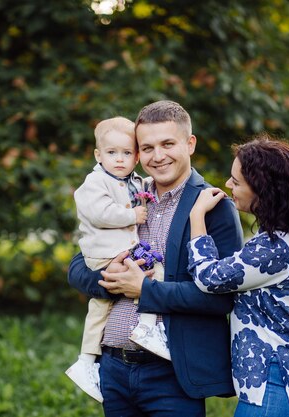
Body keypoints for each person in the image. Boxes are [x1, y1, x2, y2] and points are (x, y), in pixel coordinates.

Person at [68, 100, 244, 416]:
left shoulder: (213, 206)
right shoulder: (128, 196)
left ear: (190, 144)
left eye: (167, 144)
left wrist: (145, 291)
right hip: (114, 369)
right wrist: (112, 282)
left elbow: (221, 299)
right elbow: (78, 266)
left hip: (172, 375)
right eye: (146, 147)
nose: (157, 156)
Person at [187, 133, 289, 417]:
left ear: (263, 189)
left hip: (278, 383)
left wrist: (196, 217)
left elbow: (209, 277)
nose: (229, 185)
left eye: (237, 181)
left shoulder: (275, 247)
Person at [65, 116, 169, 404]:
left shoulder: (133, 180)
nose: (120, 159)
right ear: (99, 155)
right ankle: (87, 360)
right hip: (103, 254)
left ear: (136, 156)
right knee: (104, 303)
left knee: (149, 277)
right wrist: (132, 216)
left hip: (124, 250)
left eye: (127, 153)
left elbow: (142, 190)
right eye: (112, 153)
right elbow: (101, 212)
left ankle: (146, 328)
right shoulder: (93, 182)